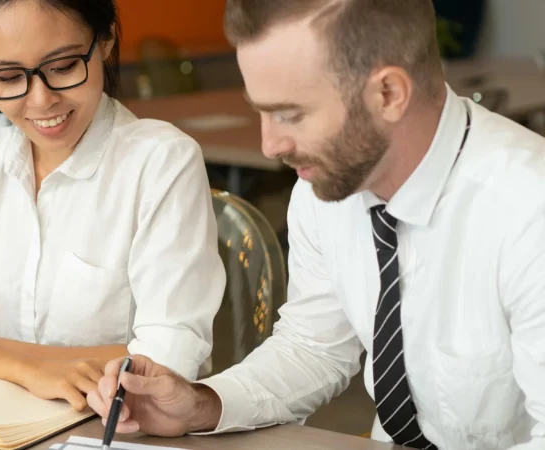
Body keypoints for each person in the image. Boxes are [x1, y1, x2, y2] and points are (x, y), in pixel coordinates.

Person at [88, 1, 545, 449]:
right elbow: (313, 348)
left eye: (290, 114)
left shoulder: (528, 211)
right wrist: (201, 404)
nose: (269, 144)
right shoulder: (327, 184)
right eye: (261, 110)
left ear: (388, 93)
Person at [0, 0, 225, 411]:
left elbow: (161, 366)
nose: (41, 102)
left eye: (63, 68)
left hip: (116, 424)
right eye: (6, 76)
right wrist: (28, 370)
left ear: (107, 40)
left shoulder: (162, 161)